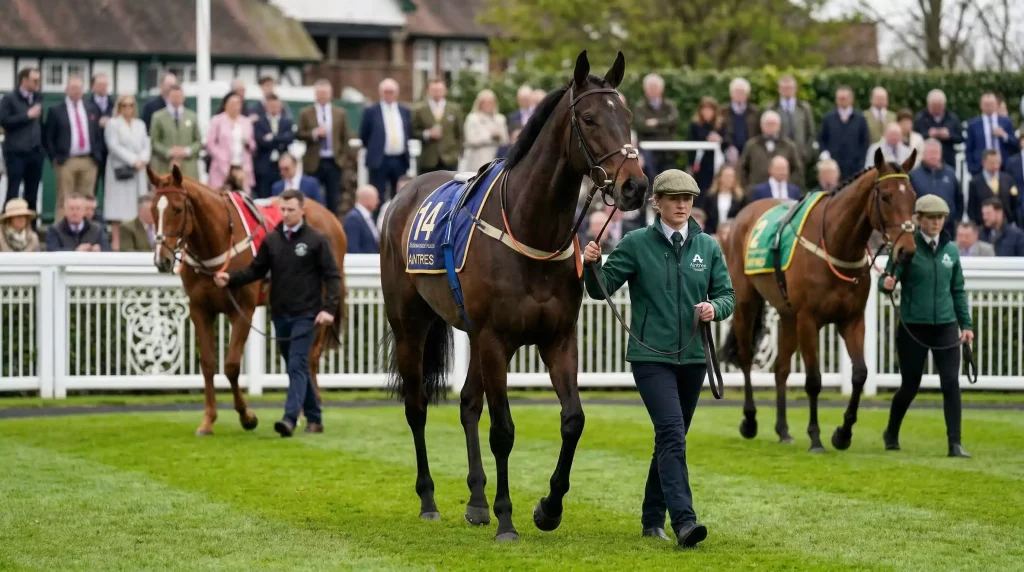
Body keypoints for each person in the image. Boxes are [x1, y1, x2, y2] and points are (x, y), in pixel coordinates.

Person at [582, 169, 735, 548]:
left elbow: (728, 296)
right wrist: (592, 265)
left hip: (695, 357)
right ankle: (684, 521)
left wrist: (714, 308)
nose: (682, 205)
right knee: (671, 433)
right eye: (673, 198)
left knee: (671, 438)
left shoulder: (709, 247)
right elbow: (600, 291)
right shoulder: (635, 243)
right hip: (650, 357)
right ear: (657, 203)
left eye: (687, 198)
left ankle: (652, 519)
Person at [214, 189, 342, 437]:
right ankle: (315, 418)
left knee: (296, 365)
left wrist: (329, 310)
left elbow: (333, 277)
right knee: (298, 367)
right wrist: (229, 278)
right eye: (282, 210)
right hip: (281, 314)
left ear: (302, 210)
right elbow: (255, 271)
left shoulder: (316, 240)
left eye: (291, 210)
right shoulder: (272, 240)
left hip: (308, 315)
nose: (285, 214)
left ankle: (289, 419)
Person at [880, 194, 974, 458]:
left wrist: (965, 325)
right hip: (913, 326)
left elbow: (957, 290)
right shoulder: (907, 247)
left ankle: (954, 443)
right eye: (931, 218)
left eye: (940, 218)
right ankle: (891, 431)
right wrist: (886, 284)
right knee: (909, 385)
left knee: (950, 383)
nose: (936, 223)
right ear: (918, 219)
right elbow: (887, 279)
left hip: (945, 325)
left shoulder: (951, 251)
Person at [44, 75, 104, 218]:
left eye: (79, 88)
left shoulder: (92, 108)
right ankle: (61, 235)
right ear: (66, 90)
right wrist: (55, 158)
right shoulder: (56, 110)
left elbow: (97, 134)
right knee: (65, 198)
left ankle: (86, 232)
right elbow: (48, 137)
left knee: (87, 200)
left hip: (89, 161)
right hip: (66, 161)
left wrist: (97, 156)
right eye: (73, 88)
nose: (77, 91)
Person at [103, 95, 151, 250]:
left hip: (138, 172)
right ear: (119, 106)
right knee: (118, 210)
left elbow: (146, 144)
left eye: (131, 105)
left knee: (137, 207)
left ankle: (138, 243)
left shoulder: (140, 124)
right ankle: (117, 246)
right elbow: (113, 146)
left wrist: (142, 159)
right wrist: (132, 160)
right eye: (124, 105)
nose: (128, 108)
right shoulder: (113, 124)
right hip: (120, 172)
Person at [298, 79, 349, 216]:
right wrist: (314, 133)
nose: (322, 96)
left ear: (330, 94)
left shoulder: (340, 113)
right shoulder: (306, 112)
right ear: (315, 94)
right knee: (311, 197)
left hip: (334, 161)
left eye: (325, 93)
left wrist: (342, 159)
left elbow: (345, 139)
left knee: (333, 198)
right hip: (314, 162)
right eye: (320, 93)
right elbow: (299, 134)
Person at [359, 78, 411, 207]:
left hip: (399, 159)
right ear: (380, 92)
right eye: (386, 91)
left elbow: (409, 132)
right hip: (379, 160)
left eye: (392, 91)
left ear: (397, 93)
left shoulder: (405, 111)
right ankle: (377, 224)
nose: (389, 94)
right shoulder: (371, 111)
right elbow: (364, 135)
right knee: (377, 195)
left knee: (400, 196)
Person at [0, 67, 45, 210]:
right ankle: (7, 227)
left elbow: (40, 124)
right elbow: (3, 120)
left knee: (32, 193)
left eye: (39, 80)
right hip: (16, 152)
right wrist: (27, 116)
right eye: (34, 80)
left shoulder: (38, 97)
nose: (38, 83)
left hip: (35, 152)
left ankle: (30, 228)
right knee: (13, 192)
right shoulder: (9, 99)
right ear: (24, 80)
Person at [737, 110, 803, 189]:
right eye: (767, 124)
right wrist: (748, 189)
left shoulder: (789, 146)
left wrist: (789, 186)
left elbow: (797, 170)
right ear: (761, 126)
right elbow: (742, 168)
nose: (770, 127)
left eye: (773, 124)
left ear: (779, 126)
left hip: (782, 193)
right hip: (756, 193)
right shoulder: (751, 145)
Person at [909, 139, 961, 237]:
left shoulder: (951, 173)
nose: (933, 155)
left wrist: (956, 219)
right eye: (930, 152)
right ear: (923, 154)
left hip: (947, 230)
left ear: (941, 154)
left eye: (936, 152)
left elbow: (959, 199)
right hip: (921, 230)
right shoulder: (913, 175)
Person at [207, 92, 256, 193]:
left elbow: (253, 145)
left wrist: (248, 143)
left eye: (238, 103)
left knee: (243, 197)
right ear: (226, 105)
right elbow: (210, 144)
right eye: (232, 103)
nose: (235, 106)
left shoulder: (246, 122)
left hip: (242, 167)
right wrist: (221, 156)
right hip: (222, 166)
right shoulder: (217, 120)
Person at [149, 85, 202, 180]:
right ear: (168, 97)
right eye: (174, 97)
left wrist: (186, 151)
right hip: (165, 167)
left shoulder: (192, 116)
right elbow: (154, 142)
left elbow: (198, 142)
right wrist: (169, 152)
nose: (177, 99)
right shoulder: (157, 117)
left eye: (179, 97)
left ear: (183, 98)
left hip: (188, 169)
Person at [413, 78, 464, 174]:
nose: (437, 93)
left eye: (440, 90)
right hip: (428, 160)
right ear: (428, 91)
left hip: (449, 159)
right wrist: (427, 134)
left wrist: (457, 153)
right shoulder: (419, 110)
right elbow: (413, 132)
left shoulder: (455, 109)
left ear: (445, 91)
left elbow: (460, 134)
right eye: (434, 90)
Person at [818, 86, 871, 179]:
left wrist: (861, 163)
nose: (842, 101)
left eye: (844, 98)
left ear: (851, 99)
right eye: (839, 98)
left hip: (855, 168)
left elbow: (865, 142)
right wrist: (825, 156)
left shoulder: (860, 118)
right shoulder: (828, 118)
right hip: (833, 169)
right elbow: (821, 140)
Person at [633, 74, 680, 176]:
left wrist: (656, 122)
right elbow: (641, 126)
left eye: (655, 87)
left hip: (668, 152)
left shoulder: (670, 105)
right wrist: (664, 126)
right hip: (648, 151)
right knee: (651, 177)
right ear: (645, 89)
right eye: (650, 87)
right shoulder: (639, 107)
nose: (653, 90)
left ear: (662, 89)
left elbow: (674, 121)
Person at [768, 75, 817, 169]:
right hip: (778, 157)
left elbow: (811, 133)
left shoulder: (804, 108)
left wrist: (807, 153)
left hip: (800, 157)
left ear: (795, 89)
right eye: (784, 88)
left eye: (790, 88)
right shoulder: (772, 108)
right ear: (779, 89)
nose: (787, 90)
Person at [965, 92, 1019, 176]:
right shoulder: (973, 124)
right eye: (986, 104)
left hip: (1003, 167)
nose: (989, 106)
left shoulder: (1006, 122)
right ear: (981, 105)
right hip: (980, 168)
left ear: (996, 105)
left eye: (991, 104)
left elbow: (1015, 143)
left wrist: (1004, 135)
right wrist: (972, 167)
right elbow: (969, 148)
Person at [253, 94, 295, 199]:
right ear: (266, 106)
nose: (274, 108)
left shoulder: (287, 122)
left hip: (282, 167)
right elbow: (261, 142)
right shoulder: (259, 123)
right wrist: (280, 139)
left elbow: (289, 139)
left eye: (276, 106)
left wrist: (272, 138)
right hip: (264, 167)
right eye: (271, 106)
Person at [967, 149, 1019, 227]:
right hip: (983, 227)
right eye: (992, 163)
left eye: (998, 162)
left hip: (1005, 225)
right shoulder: (975, 182)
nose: (996, 166)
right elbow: (971, 208)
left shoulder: (1008, 179)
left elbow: (1014, 204)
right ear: (984, 162)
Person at [913, 89, 963, 168]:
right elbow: (914, 138)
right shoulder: (920, 118)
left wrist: (949, 135)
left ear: (944, 105)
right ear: (928, 105)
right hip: (924, 163)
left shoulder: (953, 118)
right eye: (934, 107)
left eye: (939, 106)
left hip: (948, 161)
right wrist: (928, 134)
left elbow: (960, 138)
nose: (937, 109)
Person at [462, 89, 509, 173]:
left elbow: (505, 140)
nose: (488, 105)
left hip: (496, 160)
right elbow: (471, 139)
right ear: (480, 103)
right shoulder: (472, 118)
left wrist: (498, 136)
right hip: (477, 161)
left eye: (491, 102)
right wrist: (490, 137)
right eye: (485, 102)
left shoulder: (500, 119)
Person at [45, 193, 110, 252]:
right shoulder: (54, 230)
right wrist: (75, 251)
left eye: (78, 208)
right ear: (64, 211)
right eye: (71, 208)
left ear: (84, 211)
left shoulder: (97, 229)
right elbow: (52, 251)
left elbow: (107, 249)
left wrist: (100, 249)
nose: (75, 212)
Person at [686, 96, 723, 196]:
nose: (707, 112)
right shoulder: (694, 125)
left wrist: (719, 139)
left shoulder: (720, 125)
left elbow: (727, 142)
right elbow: (690, 144)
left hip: (715, 165)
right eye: (704, 109)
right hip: (699, 166)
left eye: (710, 109)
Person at [721, 77, 760, 164]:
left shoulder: (755, 111)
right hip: (728, 153)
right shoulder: (723, 111)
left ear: (747, 94)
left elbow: (758, 132)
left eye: (742, 92)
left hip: (750, 152)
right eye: (736, 91)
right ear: (731, 94)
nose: (739, 94)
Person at [704, 164, 747, 236]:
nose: (729, 179)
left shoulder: (740, 198)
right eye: (727, 176)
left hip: (732, 235)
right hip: (712, 235)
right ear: (720, 178)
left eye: (732, 176)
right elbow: (706, 218)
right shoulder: (710, 197)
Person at [342, 185, 381, 254]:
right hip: (362, 263)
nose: (378, 201)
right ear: (367, 199)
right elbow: (352, 248)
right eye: (376, 198)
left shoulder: (367, 217)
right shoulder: (353, 218)